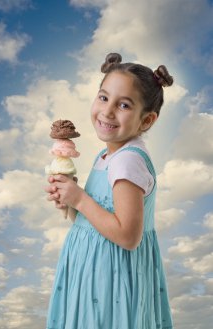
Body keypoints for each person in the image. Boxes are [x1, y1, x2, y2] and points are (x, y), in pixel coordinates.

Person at [45, 53, 174, 329]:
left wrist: (79, 198)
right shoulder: (107, 156)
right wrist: (70, 203)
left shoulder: (127, 161)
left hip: (111, 277)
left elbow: (127, 236)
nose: (107, 111)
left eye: (124, 105)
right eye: (103, 97)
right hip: (94, 269)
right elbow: (96, 223)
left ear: (147, 120)